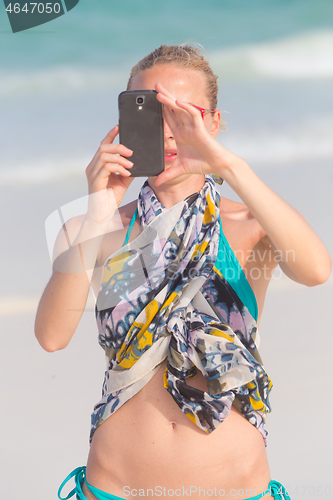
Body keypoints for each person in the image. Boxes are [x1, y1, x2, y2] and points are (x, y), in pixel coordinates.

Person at [35, 45, 331, 500]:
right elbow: (51, 336)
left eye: (183, 115)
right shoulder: (94, 228)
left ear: (212, 122)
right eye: (151, 113)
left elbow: (316, 270)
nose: (167, 133)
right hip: (115, 488)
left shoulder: (251, 227)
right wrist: (99, 211)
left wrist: (228, 165)